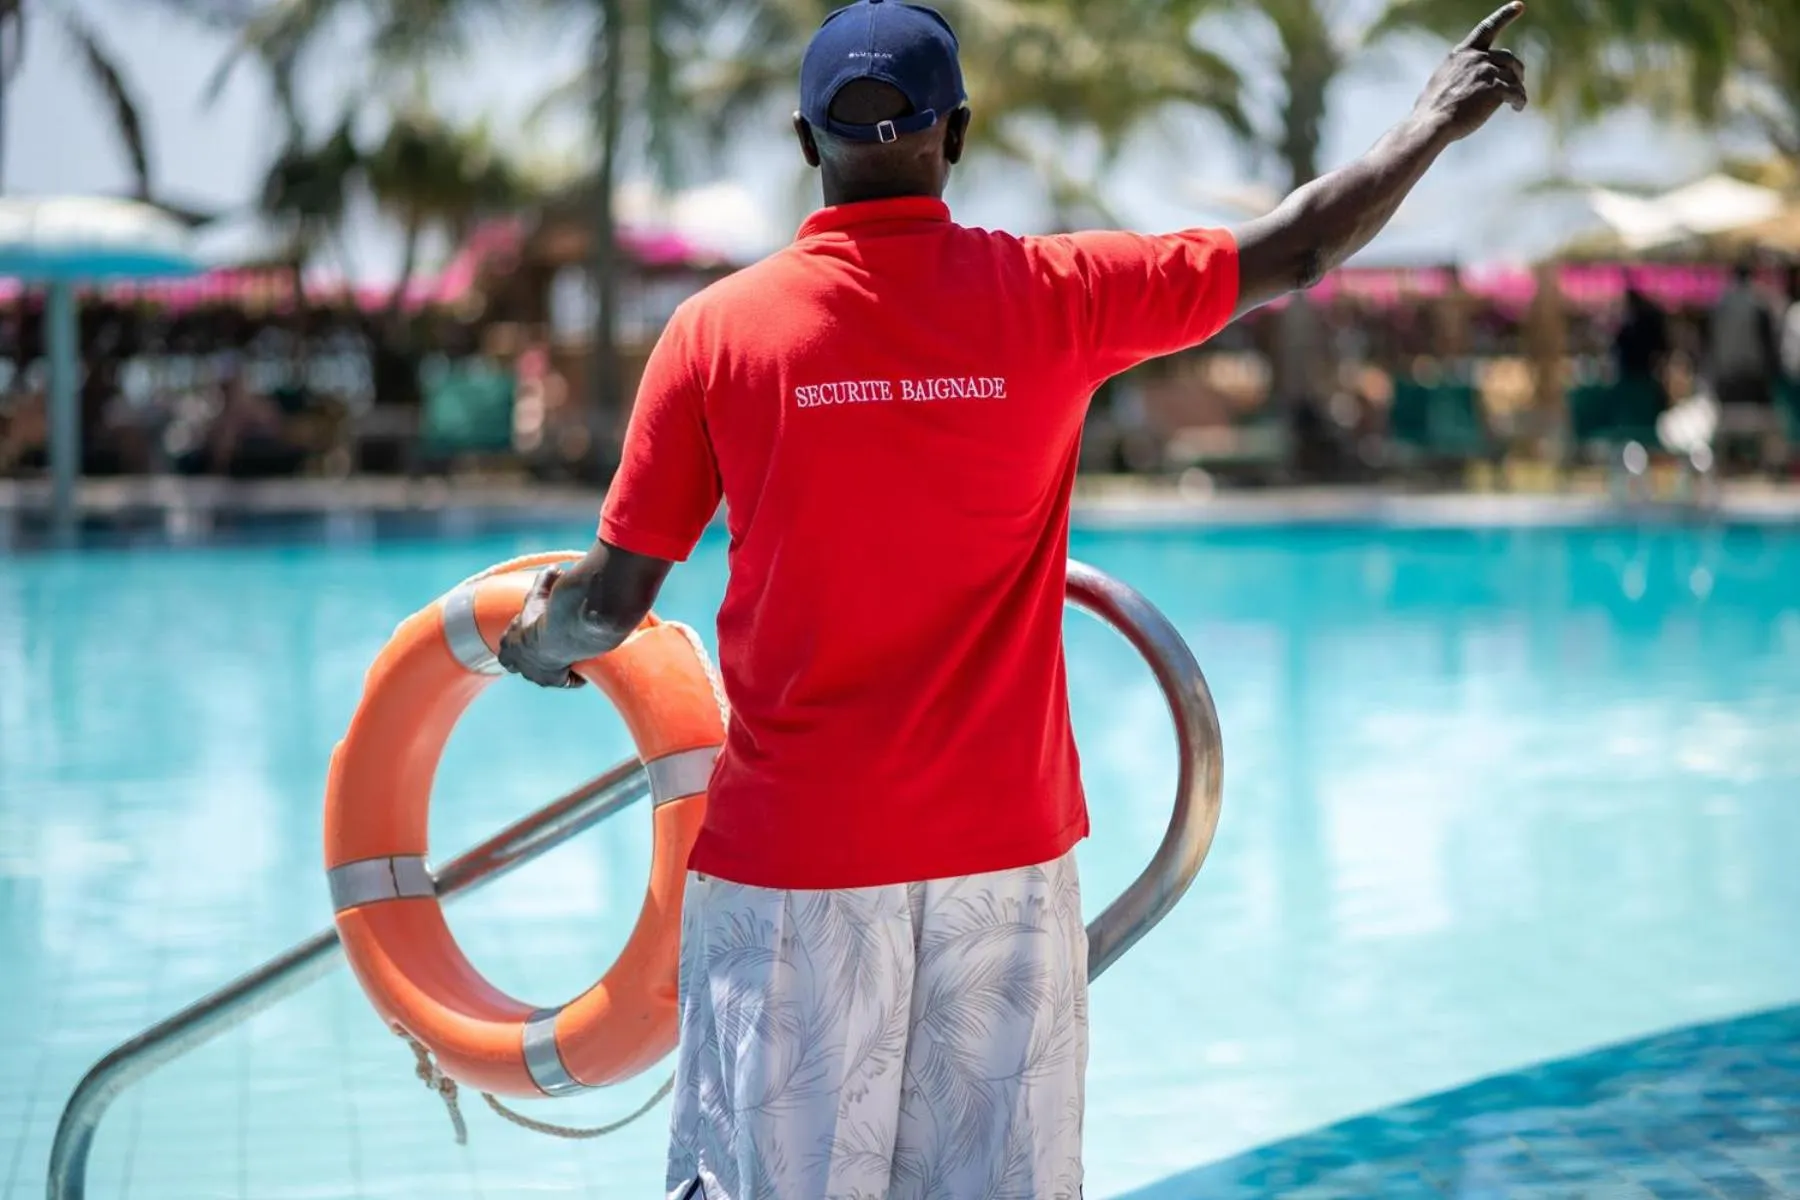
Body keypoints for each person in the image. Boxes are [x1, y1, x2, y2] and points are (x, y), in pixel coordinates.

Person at [496, 2, 1528, 1196]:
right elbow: (1292, 248)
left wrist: (537, 643)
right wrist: (1429, 122)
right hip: (1004, 853)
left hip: (798, 864)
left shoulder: (717, 334)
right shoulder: (1056, 294)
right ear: (959, 135)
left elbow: (612, 605)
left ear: (802, 140)